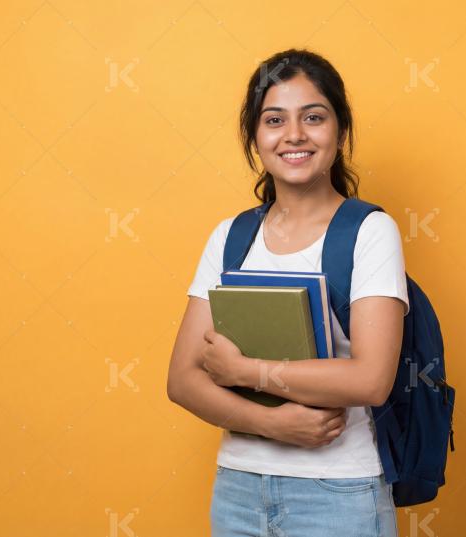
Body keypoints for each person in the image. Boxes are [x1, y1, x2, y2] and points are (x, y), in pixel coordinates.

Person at [167, 48, 409, 537]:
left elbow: (371, 379)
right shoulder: (230, 237)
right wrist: (273, 425)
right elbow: (182, 380)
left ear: (339, 131)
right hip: (238, 489)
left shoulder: (369, 232)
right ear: (255, 138)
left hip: (338, 494)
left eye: (313, 118)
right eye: (274, 120)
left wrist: (246, 372)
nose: (294, 135)